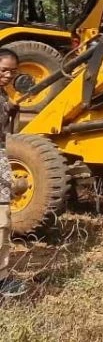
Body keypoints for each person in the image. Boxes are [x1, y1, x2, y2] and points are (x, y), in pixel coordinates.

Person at [0, 49, 26, 297]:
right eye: (4, 70)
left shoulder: (4, 96)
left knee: (3, 221)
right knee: (1, 220)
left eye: (13, 71)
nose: (8, 75)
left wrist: (10, 108)